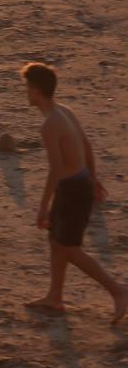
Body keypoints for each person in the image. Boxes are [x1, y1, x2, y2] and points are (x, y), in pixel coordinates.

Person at [20, 63, 125, 322]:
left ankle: (119, 291)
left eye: (27, 89)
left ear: (35, 91)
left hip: (74, 191)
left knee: (70, 249)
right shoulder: (64, 111)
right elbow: (86, 144)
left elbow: (55, 169)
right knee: (56, 242)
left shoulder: (49, 126)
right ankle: (54, 297)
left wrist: (43, 207)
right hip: (80, 183)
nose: (26, 93)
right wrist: (94, 177)